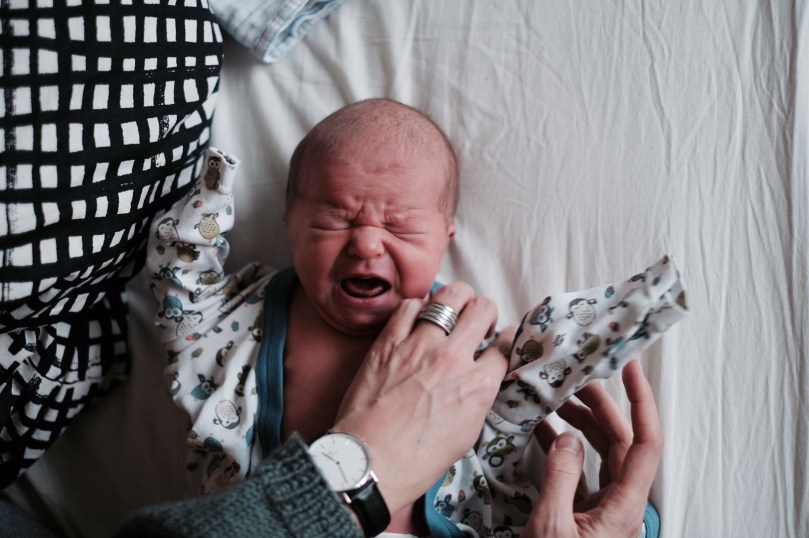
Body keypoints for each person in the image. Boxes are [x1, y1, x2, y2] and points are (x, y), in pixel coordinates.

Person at [142, 98, 670, 537]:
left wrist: (646, 304)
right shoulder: (238, 316)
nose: (367, 243)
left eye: (400, 226)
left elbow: (537, 387)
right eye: (333, 219)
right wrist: (207, 198)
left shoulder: (467, 349)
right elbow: (180, 286)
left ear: (446, 238)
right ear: (290, 223)